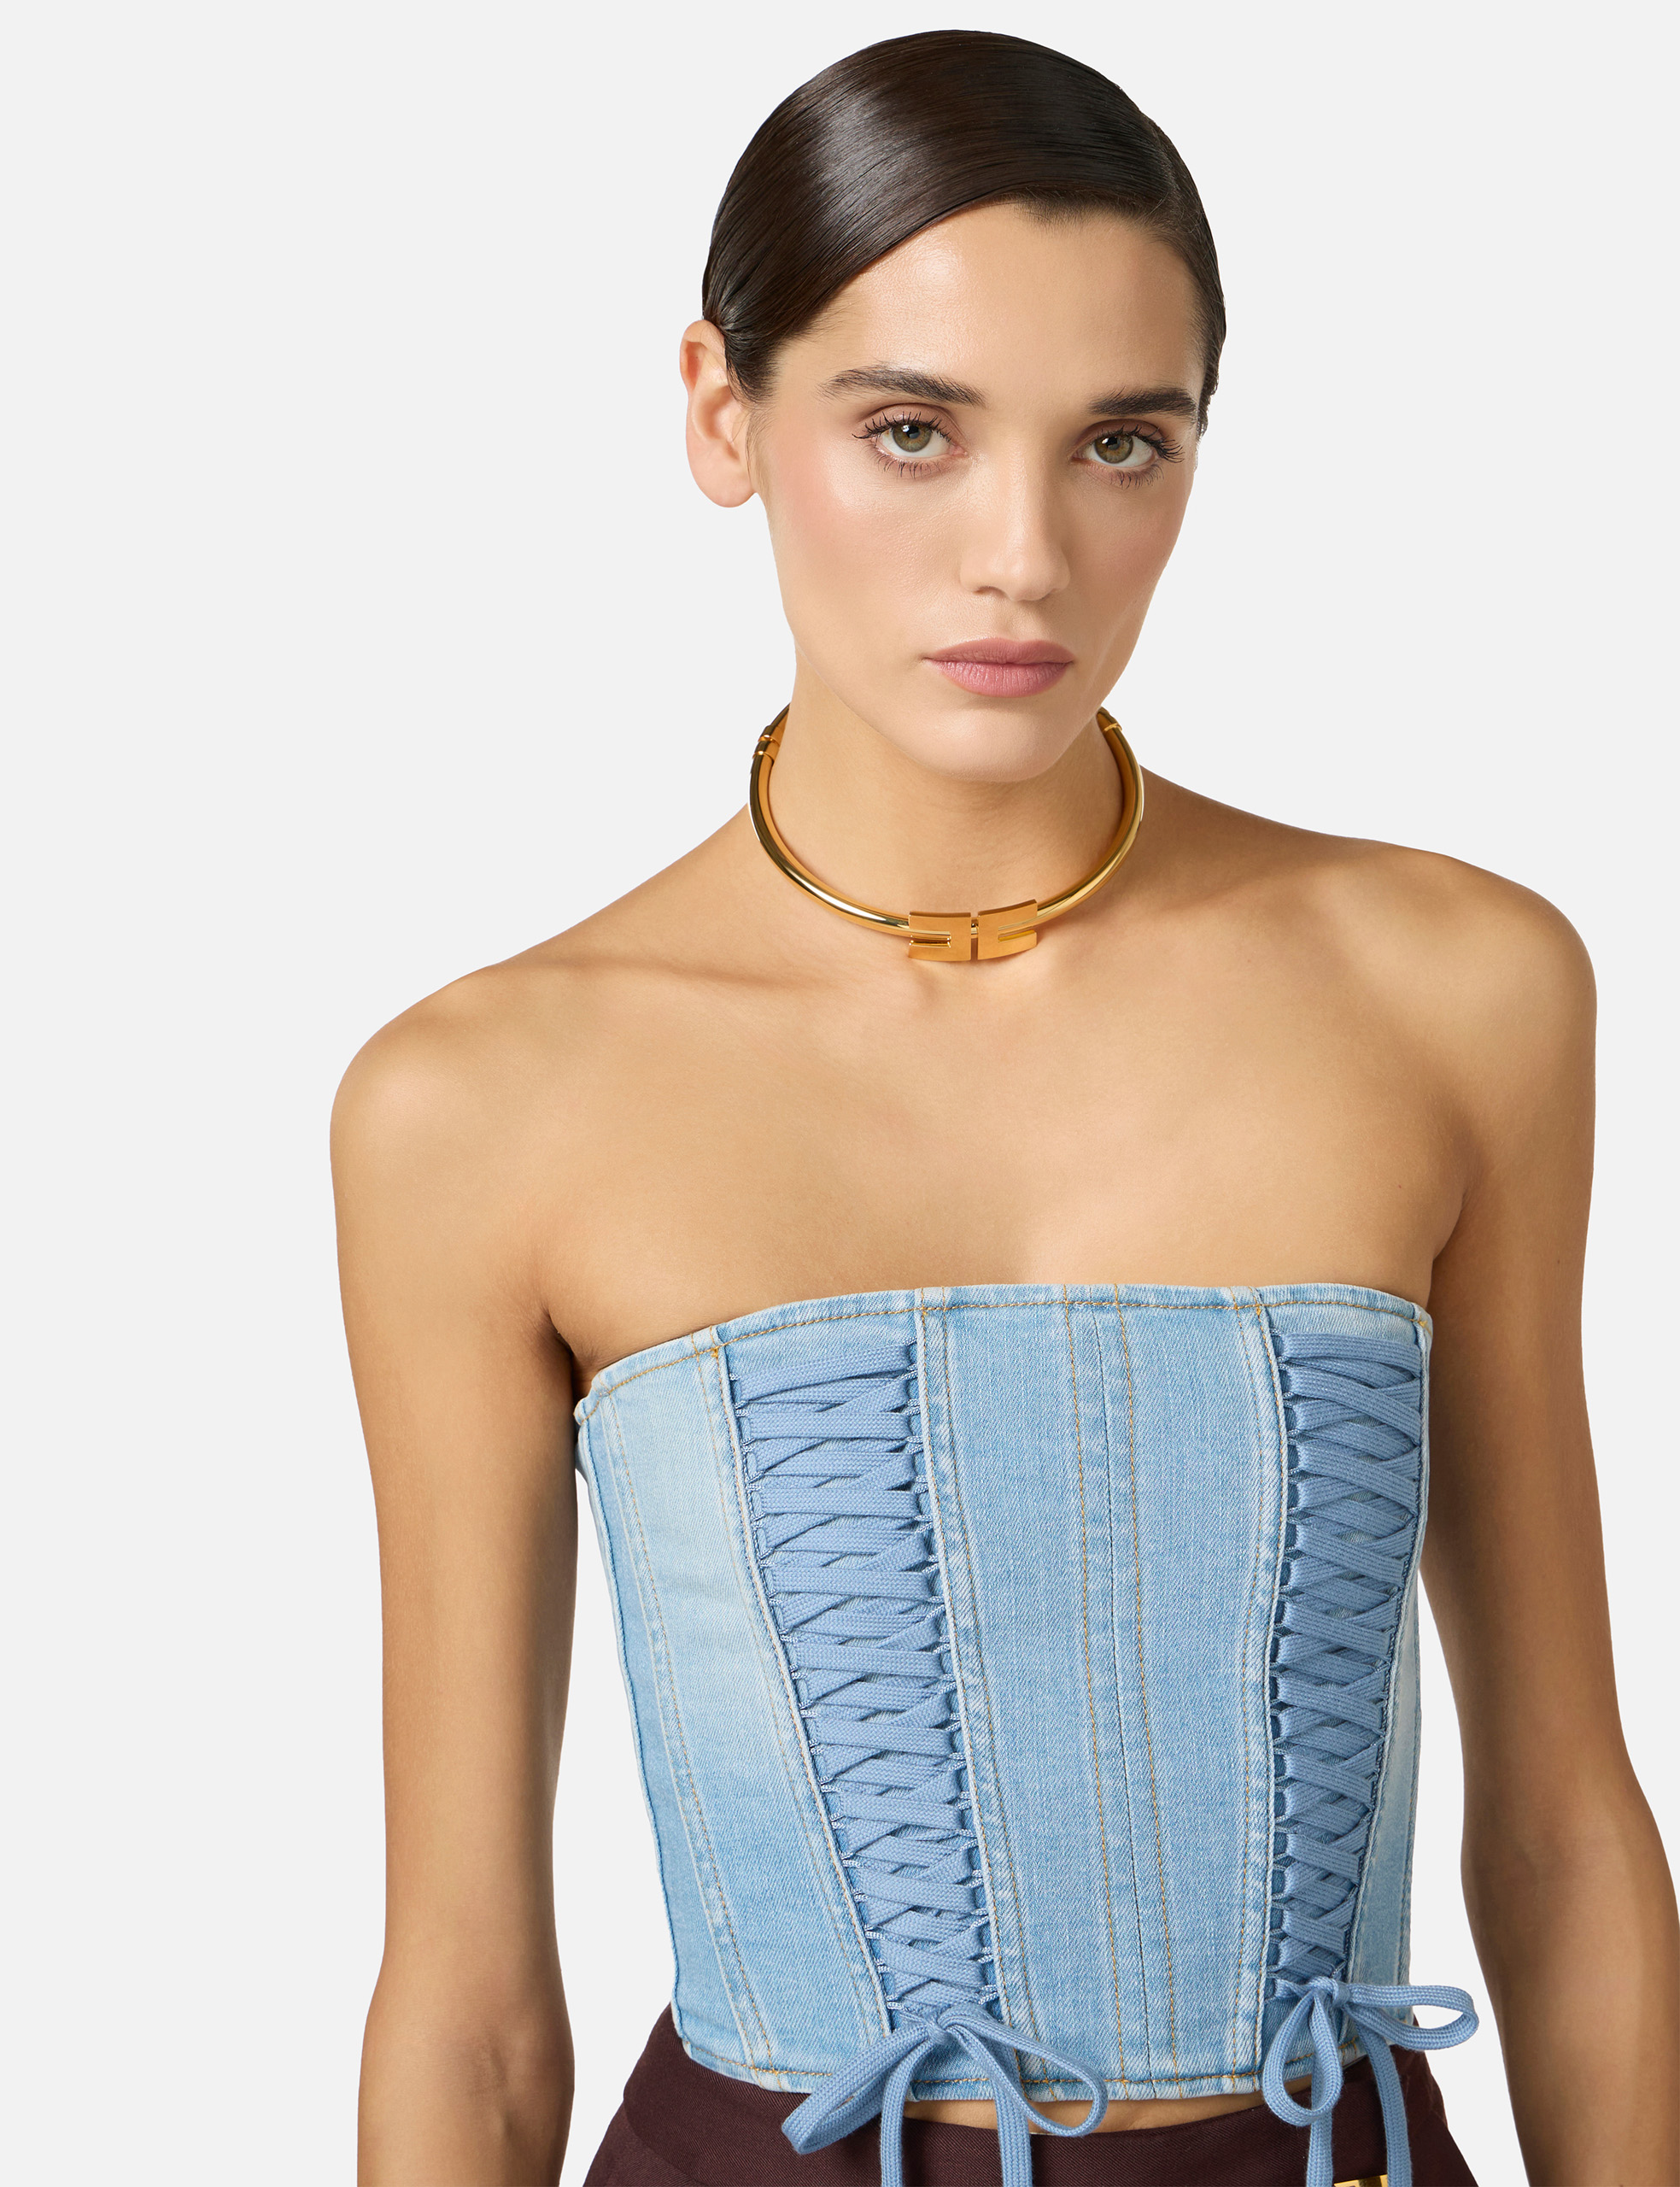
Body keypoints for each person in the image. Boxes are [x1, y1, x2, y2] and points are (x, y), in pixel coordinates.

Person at [334, 30, 1679, 2187]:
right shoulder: (482, 1101)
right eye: (911, 432)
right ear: (719, 412)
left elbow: (1560, 1821)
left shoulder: (1456, 988)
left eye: (1120, 442)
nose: (1024, 555)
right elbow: (470, 1994)